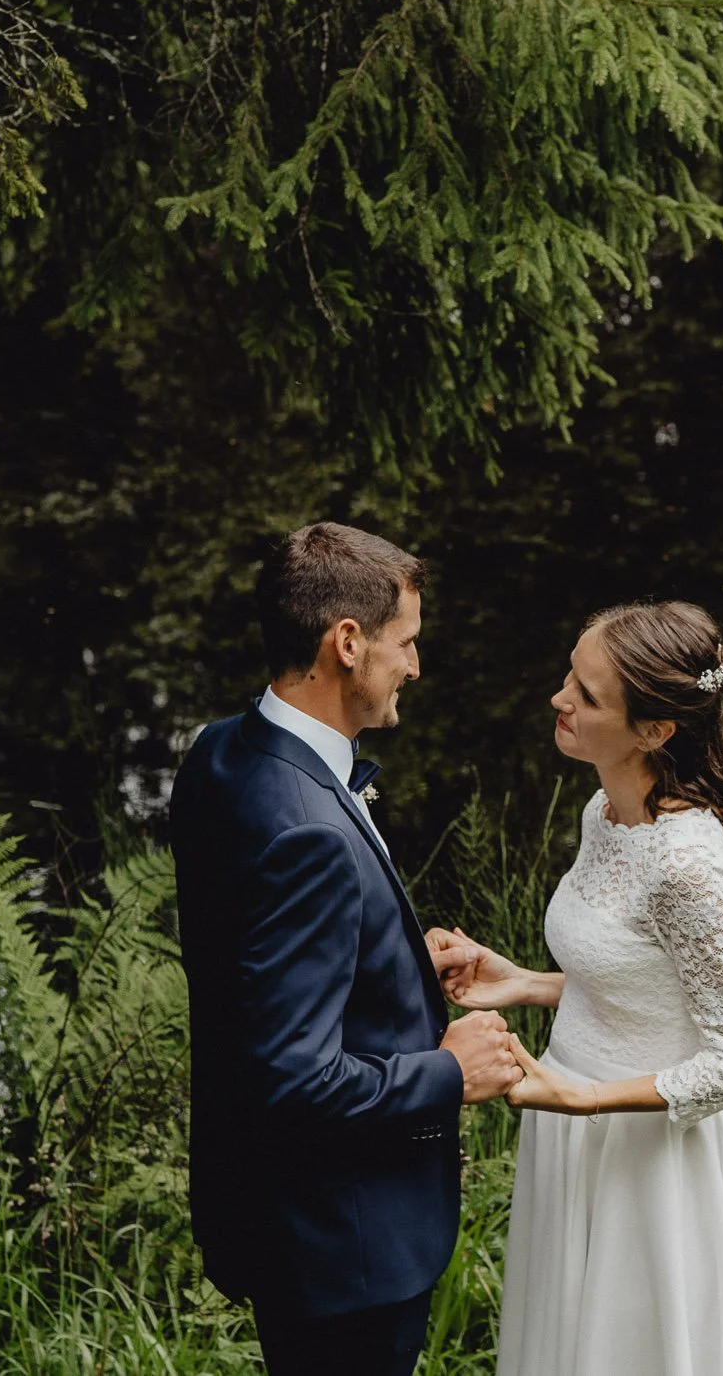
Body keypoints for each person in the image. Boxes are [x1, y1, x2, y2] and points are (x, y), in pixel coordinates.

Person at [172, 522, 524, 1376]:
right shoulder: (310, 832)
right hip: (344, 1250)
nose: (414, 665)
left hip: (275, 1219)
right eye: (405, 644)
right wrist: (451, 1073)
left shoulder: (224, 752)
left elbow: (251, 972)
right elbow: (293, 1078)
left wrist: (393, 961)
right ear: (347, 642)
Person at [429, 600, 723, 1375]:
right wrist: (523, 983)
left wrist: (584, 1101)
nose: (560, 698)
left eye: (587, 695)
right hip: (572, 1133)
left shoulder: (687, 868)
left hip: (647, 1164)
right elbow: (642, 980)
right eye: (570, 674)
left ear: (654, 730)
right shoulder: (607, 811)